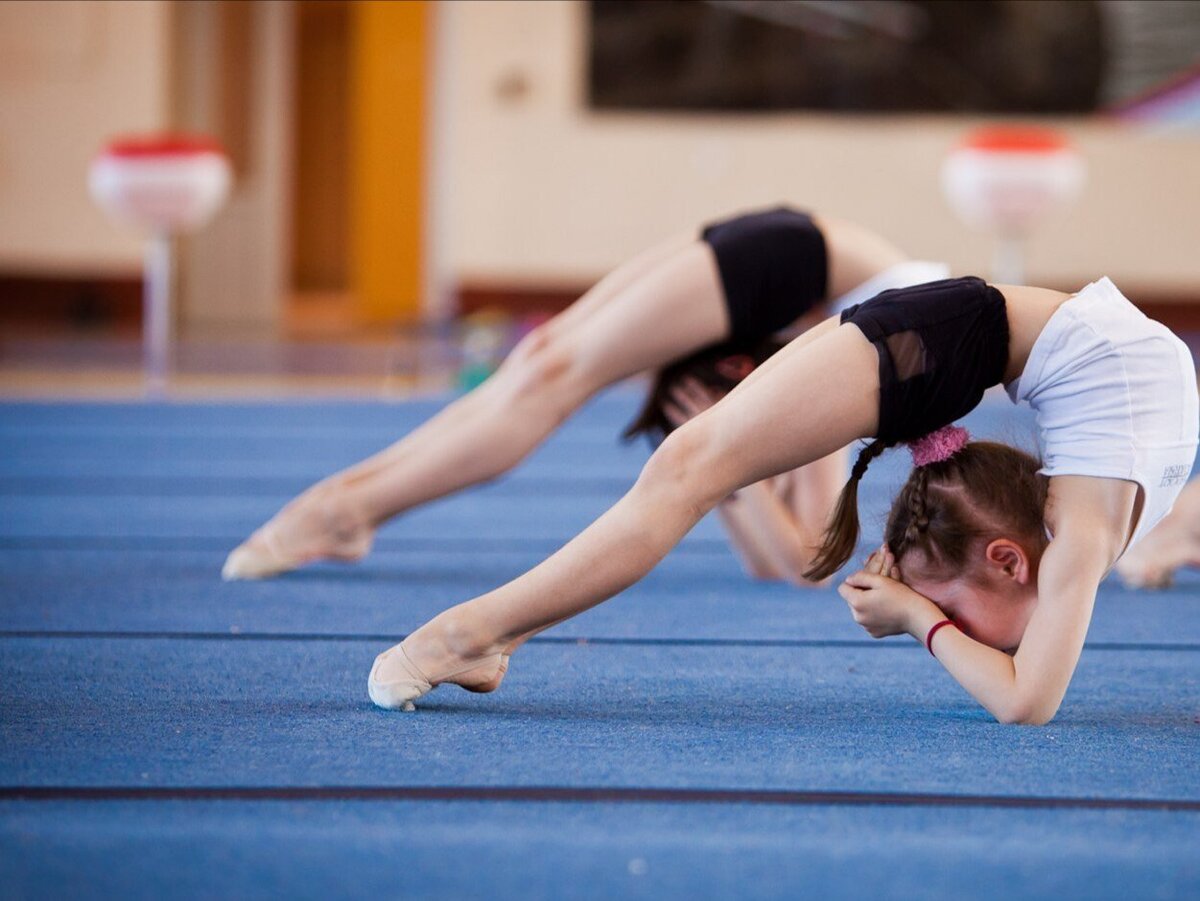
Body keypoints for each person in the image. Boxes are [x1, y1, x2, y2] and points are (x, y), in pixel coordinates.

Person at [368, 275, 1198, 725]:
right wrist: (918, 617)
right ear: (1008, 557)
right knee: (688, 468)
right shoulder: (1081, 537)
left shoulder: (1101, 514)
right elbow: (1026, 700)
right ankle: (465, 635)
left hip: (978, 335)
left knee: (691, 466)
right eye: (966, 614)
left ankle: (481, 633)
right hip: (954, 334)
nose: (983, 642)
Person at [222, 207, 947, 582]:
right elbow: (807, 561)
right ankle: (347, 511)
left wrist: (741, 480)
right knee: (551, 378)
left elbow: (787, 561)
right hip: (800, 265)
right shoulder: (850, 404)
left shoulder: (859, 392)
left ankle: (347, 503)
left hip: (802, 254)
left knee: (541, 362)